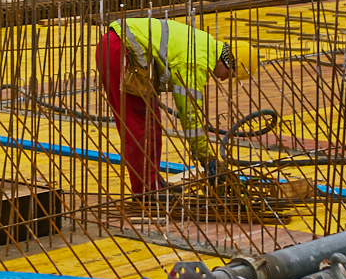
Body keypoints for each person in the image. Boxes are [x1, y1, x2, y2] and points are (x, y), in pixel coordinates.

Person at [95, 16, 258, 196]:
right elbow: (189, 114)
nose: (225, 79)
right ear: (228, 62)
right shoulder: (196, 62)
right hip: (120, 50)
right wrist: (207, 157)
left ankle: (152, 183)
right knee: (141, 124)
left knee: (151, 122)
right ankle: (147, 190)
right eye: (231, 74)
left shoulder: (205, 46)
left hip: (118, 47)